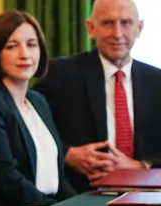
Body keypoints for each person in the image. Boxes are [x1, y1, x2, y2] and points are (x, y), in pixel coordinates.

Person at [34, 0, 161, 193]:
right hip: (78, 195)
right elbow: (29, 126)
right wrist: (66, 154)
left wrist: (142, 167)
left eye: (126, 23)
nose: (117, 34)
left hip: (145, 195)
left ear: (139, 28)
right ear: (91, 28)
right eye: (108, 23)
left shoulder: (157, 82)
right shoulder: (61, 73)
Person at [0, 11, 76, 206]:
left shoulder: (37, 100)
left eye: (32, 44)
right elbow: (8, 180)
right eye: (12, 46)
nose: (25, 54)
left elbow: (57, 177)